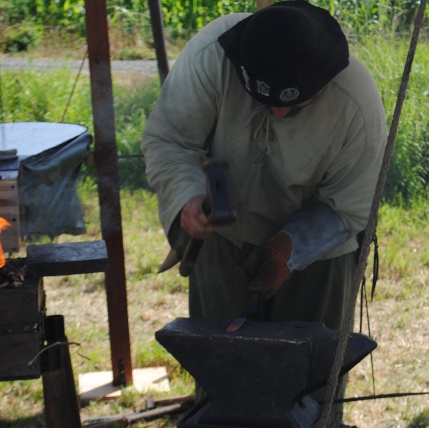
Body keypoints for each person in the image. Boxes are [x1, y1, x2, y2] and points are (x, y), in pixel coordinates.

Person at [142, 0, 386, 424]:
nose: (276, 112)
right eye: (263, 98)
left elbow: (348, 207)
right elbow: (171, 141)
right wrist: (187, 195)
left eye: (293, 104)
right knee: (220, 376)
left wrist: (286, 250)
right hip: (221, 224)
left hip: (319, 251)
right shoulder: (212, 56)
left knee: (310, 387)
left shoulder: (356, 105)